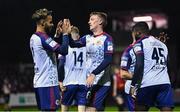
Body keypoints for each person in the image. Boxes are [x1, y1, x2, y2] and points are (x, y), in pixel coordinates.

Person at [70, 12, 113, 111]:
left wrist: (94, 74)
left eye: (92, 19)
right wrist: (66, 34)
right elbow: (73, 45)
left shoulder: (107, 39)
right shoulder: (87, 38)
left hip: (101, 83)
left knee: (91, 109)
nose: (89, 22)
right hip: (87, 81)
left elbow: (108, 59)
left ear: (100, 22)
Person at [30, 8, 70, 111]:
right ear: (43, 23)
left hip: (40, 82)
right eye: (50, 22)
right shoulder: (43, 37)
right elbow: (64, 50)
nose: (52, 24)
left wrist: (56, 36)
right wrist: (65, 34)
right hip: (48, 84)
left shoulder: (35, 37)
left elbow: (51, 49)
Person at [129, 22, 174, 111]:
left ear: (137, 33)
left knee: (140, 108)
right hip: (164, 83)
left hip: (147, 83)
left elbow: (139, 65)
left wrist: (133, 85)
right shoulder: (163, 45)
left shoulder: (139, 44)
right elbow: (169, 65)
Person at [58, 26, 88, 112]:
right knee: (82, 107)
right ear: (78, 36)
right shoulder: (85, 48)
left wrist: (60, 81)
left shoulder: (64, 48)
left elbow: (60, 66)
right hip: (82, 82)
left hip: (69, 82)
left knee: (64, 107)